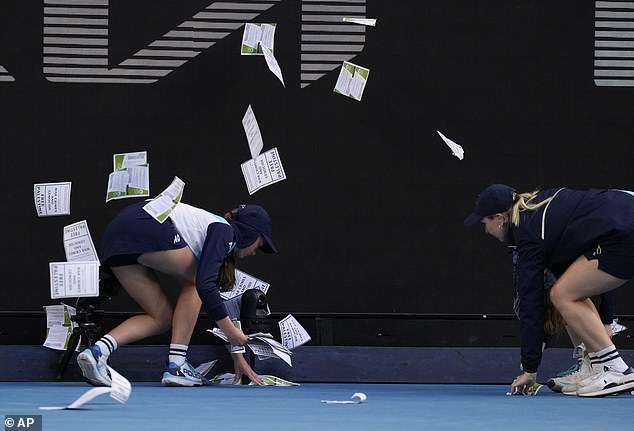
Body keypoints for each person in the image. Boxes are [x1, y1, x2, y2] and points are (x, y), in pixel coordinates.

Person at [76, 200, 277, 387]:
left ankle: (97, 352)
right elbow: (205, 287)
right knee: (196, 282)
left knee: (161, 318)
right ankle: (176, 365)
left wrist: (237, 357)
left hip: (116, 234)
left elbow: (215, 301)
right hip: (145, 222)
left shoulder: (213, 233)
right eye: (259, 244)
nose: (254, 252)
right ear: (250, 232)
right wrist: (232, 333)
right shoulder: (224, 230)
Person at [464, 184, 634, 397]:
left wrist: (530, 369)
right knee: (570, 289)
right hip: (623, 222)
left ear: (499, 218)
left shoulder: (528, 235)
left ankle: (615, 368)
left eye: (485, 222)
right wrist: (606, 320)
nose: (485, 230)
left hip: (625, 231)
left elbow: (531, 305)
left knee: (561, 294)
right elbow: (598, 275)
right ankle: (596, 366)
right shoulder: (541, 217)